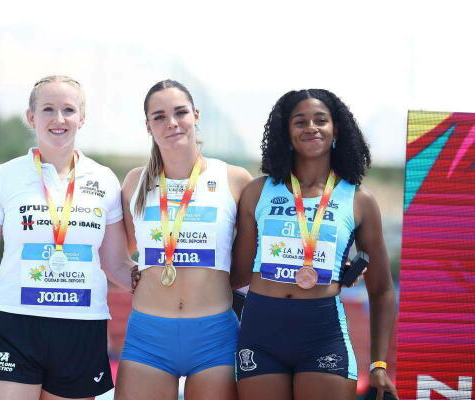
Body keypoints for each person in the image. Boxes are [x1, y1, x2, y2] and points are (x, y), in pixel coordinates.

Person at [0, 75, 133, 400]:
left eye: (68, 109)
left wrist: (172, 281)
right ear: (31, 117)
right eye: (48, 109)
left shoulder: (104, 180)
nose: (59, 119)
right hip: (13, 325)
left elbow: (116, 265)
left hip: (81, 327)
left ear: (82, 117)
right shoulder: (2, 178)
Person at [230, 89, 398, 400]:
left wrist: (379, 364)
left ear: (336, 131)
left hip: (323, 334)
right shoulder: (258, 191)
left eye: (321, 120)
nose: (311, 127)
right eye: (300, 121)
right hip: (260, 333)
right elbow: (236, 275)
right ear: (286, 133)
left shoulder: (358, 199)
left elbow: (382, 290)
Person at [114, 80, 252, 400]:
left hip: (214, 335)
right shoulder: (134, 182)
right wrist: (132, 274)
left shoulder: (234, 178)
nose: (171, 123)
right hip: (149, 336)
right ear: (148, 126)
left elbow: (259, 250)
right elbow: (126, 250)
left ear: (196, 115)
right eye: (159, 116)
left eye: (180, 112)